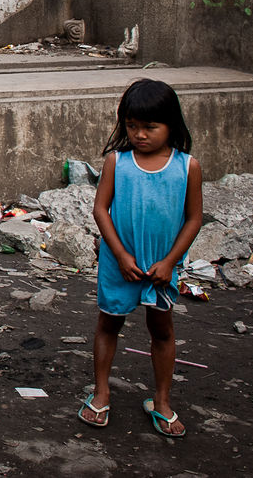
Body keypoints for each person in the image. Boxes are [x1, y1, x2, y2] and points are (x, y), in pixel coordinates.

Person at [79, 79, 202, 437]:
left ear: (171, 125)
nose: (140, 134)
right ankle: (101, 393)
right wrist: (119, 254)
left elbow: (194, 219)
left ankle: (162, 400)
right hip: (119, 263)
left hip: (161, 266)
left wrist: (171, 262)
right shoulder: (117, 162)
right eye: (132, 126)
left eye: (150, 126)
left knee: (162, 330)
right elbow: (100, 210)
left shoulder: (187, 167)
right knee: (109, 323)